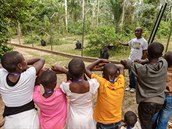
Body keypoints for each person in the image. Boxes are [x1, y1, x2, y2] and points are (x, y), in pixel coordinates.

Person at [121, 42, 167, 129]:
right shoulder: (164, 63)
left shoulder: (142, 70)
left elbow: (127, 63)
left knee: (145, 125)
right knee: (150, 120)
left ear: (146, 54)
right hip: (160, 102)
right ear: (161, 54)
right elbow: (160, 58)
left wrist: (128, 62)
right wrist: (144, 60)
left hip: (147, 104)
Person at [0, 51, 45, 129]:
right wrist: (25, 65)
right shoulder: (28, 74)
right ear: (20, 65)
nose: (25, 61)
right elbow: (41, 60)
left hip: (10, 122)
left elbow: (2, 65)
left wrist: (16, 64)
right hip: (29, 120)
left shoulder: (1, 75)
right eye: (24, 60)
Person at [53, 58, 99, 129]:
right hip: (89, 118)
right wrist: (98, 60)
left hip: (74, 119)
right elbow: (87, 72)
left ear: (70, 72)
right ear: (84, 71)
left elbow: (69, 80)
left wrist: (64, 70)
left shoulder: (66, 87)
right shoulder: (93, 84)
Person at [85, 59, 125, 129]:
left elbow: (86, 69)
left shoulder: (101, 83)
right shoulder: (121, 83)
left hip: (103, 123)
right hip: (117, 121)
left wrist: (99, 60)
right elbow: (121, 67)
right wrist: (111, 65)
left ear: (103, 75)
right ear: (117, 75)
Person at [120, 27, 148, 93]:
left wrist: (142, 61)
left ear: (141, 32)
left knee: (133, 74)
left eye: (138, 31)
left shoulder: (144, 41)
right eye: (135, 31)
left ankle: (134, 87)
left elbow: (145, 52)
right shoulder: (133, 40)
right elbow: (127, 44)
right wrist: (121, 43)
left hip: (137, 61)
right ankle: (130, 86)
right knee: (130, 74)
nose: (136, 32)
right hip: (130, 59)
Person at [155, 51, 172, 129]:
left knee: (154, 115)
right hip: (170, 98)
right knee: (164, 119)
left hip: (159, 95)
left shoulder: (160, 68)